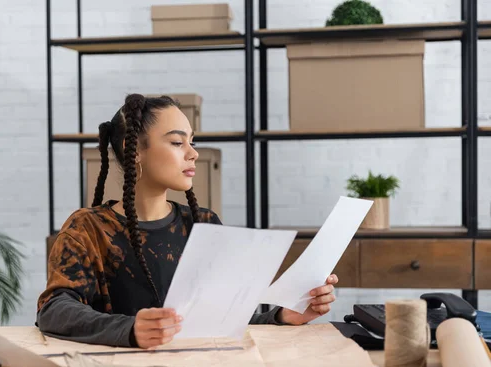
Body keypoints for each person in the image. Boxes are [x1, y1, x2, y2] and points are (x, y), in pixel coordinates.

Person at [36, 94, 339, 349]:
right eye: (177, 143)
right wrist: (129, 330)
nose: (193, 153)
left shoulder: (203, 223)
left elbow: (224, 319)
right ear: (135, 151)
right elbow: (54, 310)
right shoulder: (87, 229)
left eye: (192, 142)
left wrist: (283, 317)